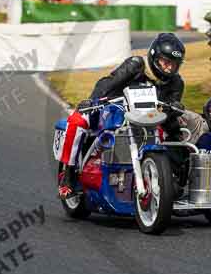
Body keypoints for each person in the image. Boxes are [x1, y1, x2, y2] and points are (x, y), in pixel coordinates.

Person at [58, 33, 186, 198]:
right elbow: (108, 82)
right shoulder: (136, 65)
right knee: (77, 121)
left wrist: (174, 108)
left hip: (147, 119)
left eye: (174, 65)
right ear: (154, 57)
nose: (169, 68)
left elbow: (170, 109)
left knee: (174, 135)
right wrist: (93, 100)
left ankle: (168, 179)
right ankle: (68, 175)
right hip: (113, 108)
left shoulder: (176, 83)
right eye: (166, 62)